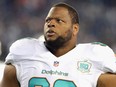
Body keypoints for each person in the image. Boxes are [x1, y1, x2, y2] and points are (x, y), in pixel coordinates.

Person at [0, 2, 116, 87]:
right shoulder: (24, 51)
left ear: (75, 29)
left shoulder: (96, 55)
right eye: (48, 20)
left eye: (59, 20)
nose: (51, 24)